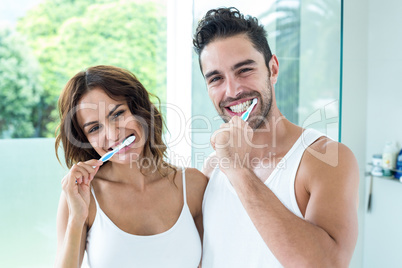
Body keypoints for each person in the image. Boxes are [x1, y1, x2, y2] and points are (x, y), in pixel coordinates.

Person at [193, 7, 359, 267]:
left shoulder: (326, 159)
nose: (233, 90)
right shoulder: (213, 167)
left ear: (273, 69)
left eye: (244, 70)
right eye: (216, 78)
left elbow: (328, 264)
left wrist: (239, 169)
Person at [54, 65, 207, 267]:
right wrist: (76, 218)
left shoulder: (194, 185)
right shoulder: (82, 196)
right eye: (95, 128)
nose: (112, 134)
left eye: (117, 114)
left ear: (140, 111)